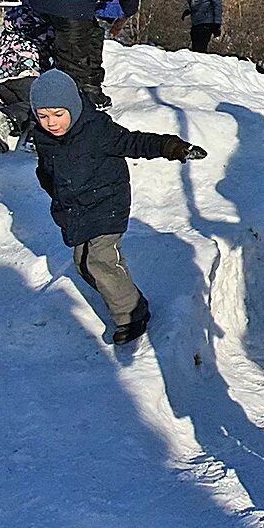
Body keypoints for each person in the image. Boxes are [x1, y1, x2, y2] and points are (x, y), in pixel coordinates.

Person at [29, 69, 206, 345]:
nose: (51, 123)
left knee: (101, 260)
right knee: (83, 265)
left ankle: (132, 316)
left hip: (107, 204)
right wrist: (50, 185)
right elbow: (48, 168)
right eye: (43, 116)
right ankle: (124, 294)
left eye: (58, 114)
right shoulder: (44, 136)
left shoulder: (97, 130)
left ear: (73, 108)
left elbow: (134, 142)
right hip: (77, 209)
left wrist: (171, 147)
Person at [0, 4, 54, 151]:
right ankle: (7, 120)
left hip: (2, 83)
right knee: (45, 100)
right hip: (23, 74)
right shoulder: (45, 18)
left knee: (31, 106)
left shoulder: (16, 21)